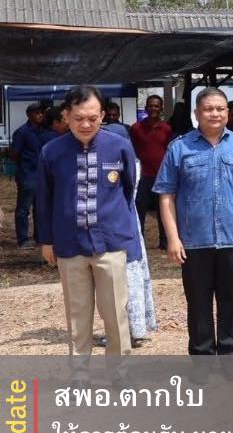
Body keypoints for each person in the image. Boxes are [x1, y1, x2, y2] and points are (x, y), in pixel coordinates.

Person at [154, 87, 233, 355]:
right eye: (208, 109)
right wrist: (173, 238)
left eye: (220, 109)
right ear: (197, 113)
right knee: (198, 306)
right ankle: (201, 362)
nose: (215, 113)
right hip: (195, 242)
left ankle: (230, 358)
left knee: (232, 304)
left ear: (228, 112)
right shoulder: (180, 147)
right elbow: (166, 196)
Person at [35, 85, 138, 363]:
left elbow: (128, 190)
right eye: (79, 118)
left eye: (93, 118)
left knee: (115, 313)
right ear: (66, 116)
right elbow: (44, 200)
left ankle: (119, 374)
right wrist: (46, 240)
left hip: (111, 243)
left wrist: (126, 234)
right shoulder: (51, 152)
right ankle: (80, 375)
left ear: (102, 115)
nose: (86, 124)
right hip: (69, 245)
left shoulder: (119, 146)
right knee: (77, 315)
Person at [10, 102, 56, 249]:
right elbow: (14, 154)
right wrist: (26, 163)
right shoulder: (22, 132)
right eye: (37, 113)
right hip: (27, 175)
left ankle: (39, 236)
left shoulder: (46, 132)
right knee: (24, 208)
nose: (40, 115)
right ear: (29, 115)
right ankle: (23, 239)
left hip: (42, 176)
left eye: (41, 113)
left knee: (40, 207)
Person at [130, 95, 172, 250]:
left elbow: (169, 150)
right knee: (139, 208)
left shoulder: (167, 129)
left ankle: (164, 241)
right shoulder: (136, 128)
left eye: (156, 106)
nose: (153, 108)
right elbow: (132, 149)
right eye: (150, 106)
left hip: (162, 176)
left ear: (161, 108)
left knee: (163, 209)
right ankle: (139, 240)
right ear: (146, 108)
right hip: (143, 176)